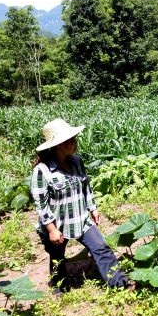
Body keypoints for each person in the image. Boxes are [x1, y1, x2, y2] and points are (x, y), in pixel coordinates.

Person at [31, 118, 133, 295]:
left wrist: (93, 208)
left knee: (101, 247)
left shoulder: (77, 162)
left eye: (74, 139)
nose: (75, 144)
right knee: (57, 258)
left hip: (81, 218)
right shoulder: (42, 171)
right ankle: (60, 288)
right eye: (70, 141)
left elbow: (86, 187)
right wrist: (51, 229)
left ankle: (120, 283)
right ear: (58, 145)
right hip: (57, 223)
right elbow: (41, 203)